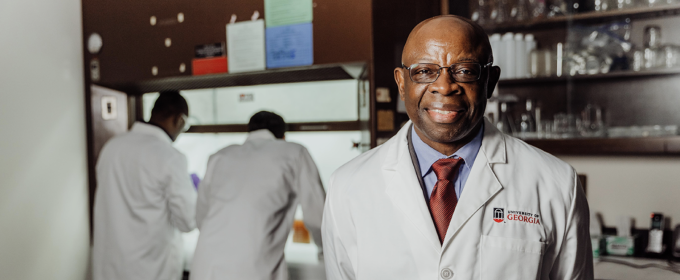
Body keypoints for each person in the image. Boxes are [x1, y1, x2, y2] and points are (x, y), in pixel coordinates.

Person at [322, 15, 593, 280]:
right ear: (402, 84)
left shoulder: (556, 183)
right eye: (425, 71)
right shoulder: (347, 186)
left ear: (490, 82)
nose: (444, 87)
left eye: (465, 71)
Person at [190, 111, 326, 280]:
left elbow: (201, 216)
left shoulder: (220, 156)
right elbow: (318, 215)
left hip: (204, 264)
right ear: (283, 136)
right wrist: (325, 252)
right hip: (251, 268)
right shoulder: (294, 152)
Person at [92, 91, 197, 280]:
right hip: (150, 270)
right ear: (180, 120)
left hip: (109, 268)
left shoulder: (112, 147)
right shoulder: (170, 157)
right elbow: (188, 221)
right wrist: (196, 192)